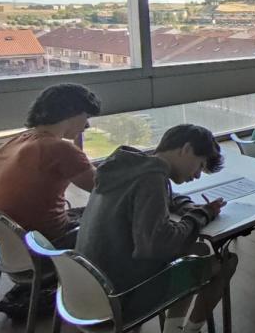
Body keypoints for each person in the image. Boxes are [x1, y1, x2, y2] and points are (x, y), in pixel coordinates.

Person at [77, 124, 235, 333]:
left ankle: (173, 329)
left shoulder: (128, 166)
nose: (197, 175)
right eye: (199, 164)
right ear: (186, 149)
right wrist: (201, 214)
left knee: (198, 251)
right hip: (119, 297)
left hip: (84, 287)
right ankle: (188, 330)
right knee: (225, 262)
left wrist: (186, 205)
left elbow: (154, 198)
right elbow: (158, 245)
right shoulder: (151, 178)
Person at [0, 84, 100, 317]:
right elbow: (104, 189)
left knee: (79, 212)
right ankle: (95, 302)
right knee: (110, 223)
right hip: (43, 247)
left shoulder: (15, 141)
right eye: (86, 116)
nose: (87, 125)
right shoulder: (59, 149)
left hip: (10, 247)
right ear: (72, 112)